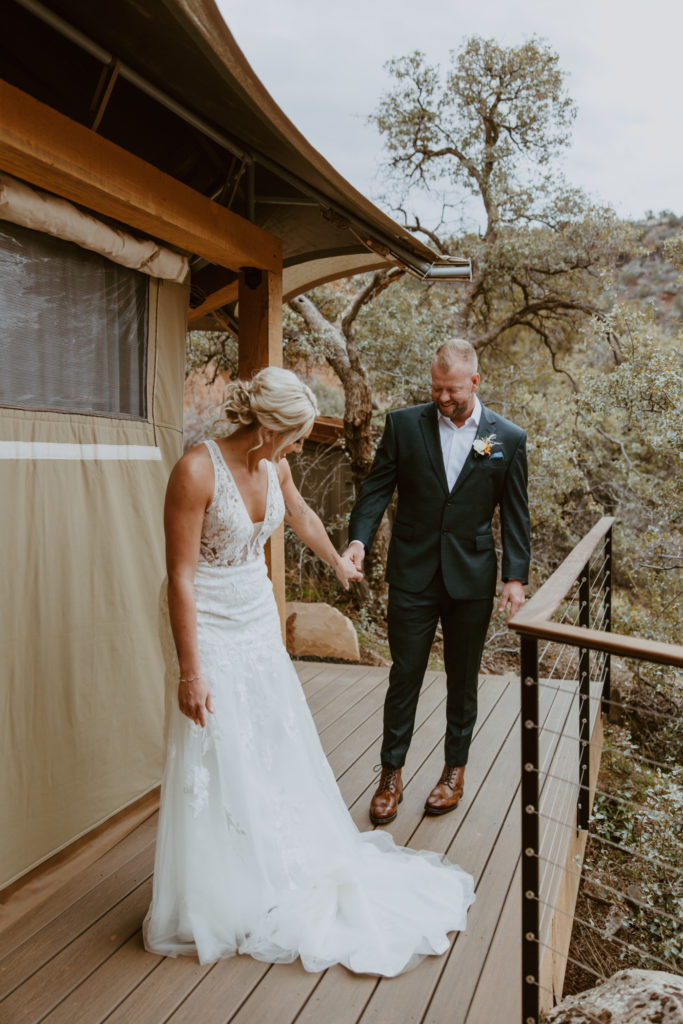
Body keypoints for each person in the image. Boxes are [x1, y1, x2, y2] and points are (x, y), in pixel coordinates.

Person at [143, 366, 475, 975]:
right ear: (269, 427)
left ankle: (273, 857)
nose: (299, 446)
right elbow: (181, 578)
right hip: (210, 625)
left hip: (255, 616)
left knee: (271, 737)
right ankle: (223, 883)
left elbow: (302, 518)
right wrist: (191, 670)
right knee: (218, 747)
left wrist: (340, 562)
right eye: (294, 436)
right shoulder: (195, 470)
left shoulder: (277, 465)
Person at [344, 339, 530, 826]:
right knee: (403, 673)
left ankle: (454, 770)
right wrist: (358, 541)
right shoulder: (404, 425)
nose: (442, 398)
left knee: (462, 679)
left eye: (452, 390)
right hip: (412, 572)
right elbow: (376, 489)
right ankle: (390, 774)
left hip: (471, 576)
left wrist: (515, 577)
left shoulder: (506, 438)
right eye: (436, 389)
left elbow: (515, 515)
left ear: (475, 380)